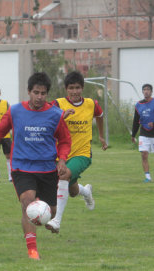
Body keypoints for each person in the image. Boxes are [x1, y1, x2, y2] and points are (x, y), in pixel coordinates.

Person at [0, 72, 72, 260]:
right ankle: (32, 250)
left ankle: (40, 221)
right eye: (36, 92)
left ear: (47, 94)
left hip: (47, 169)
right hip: (22, 167)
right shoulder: (16, 111)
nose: (39, 97)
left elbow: (65, 140)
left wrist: (62, 160)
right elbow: (0, 129)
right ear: (29, 92)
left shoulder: (56, 115)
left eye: (43, 93)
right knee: (28, 203)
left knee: (50, 211)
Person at [45, 71, 108, 234]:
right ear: (66, 89)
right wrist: (61, 117)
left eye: (78, 88)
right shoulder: (57, 104)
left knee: (63, 176)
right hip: (62, 155)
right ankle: (86, 191)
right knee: (72, 191)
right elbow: (47, 123)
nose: (74, 91)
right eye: (71, 88)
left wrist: (101, 136)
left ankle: (56, 221)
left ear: (82, 88)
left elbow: (100, 115)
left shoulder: (91, 104)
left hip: (83, 153)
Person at [131, 83, 154, 183]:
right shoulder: (138, 105)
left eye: (148, 90)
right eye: (144, 89)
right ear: (142, 91)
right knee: (144, 155)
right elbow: (135, 121)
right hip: (144, 133)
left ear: (151, 91)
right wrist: (133, 135)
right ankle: (148, 177)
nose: (146, 91)